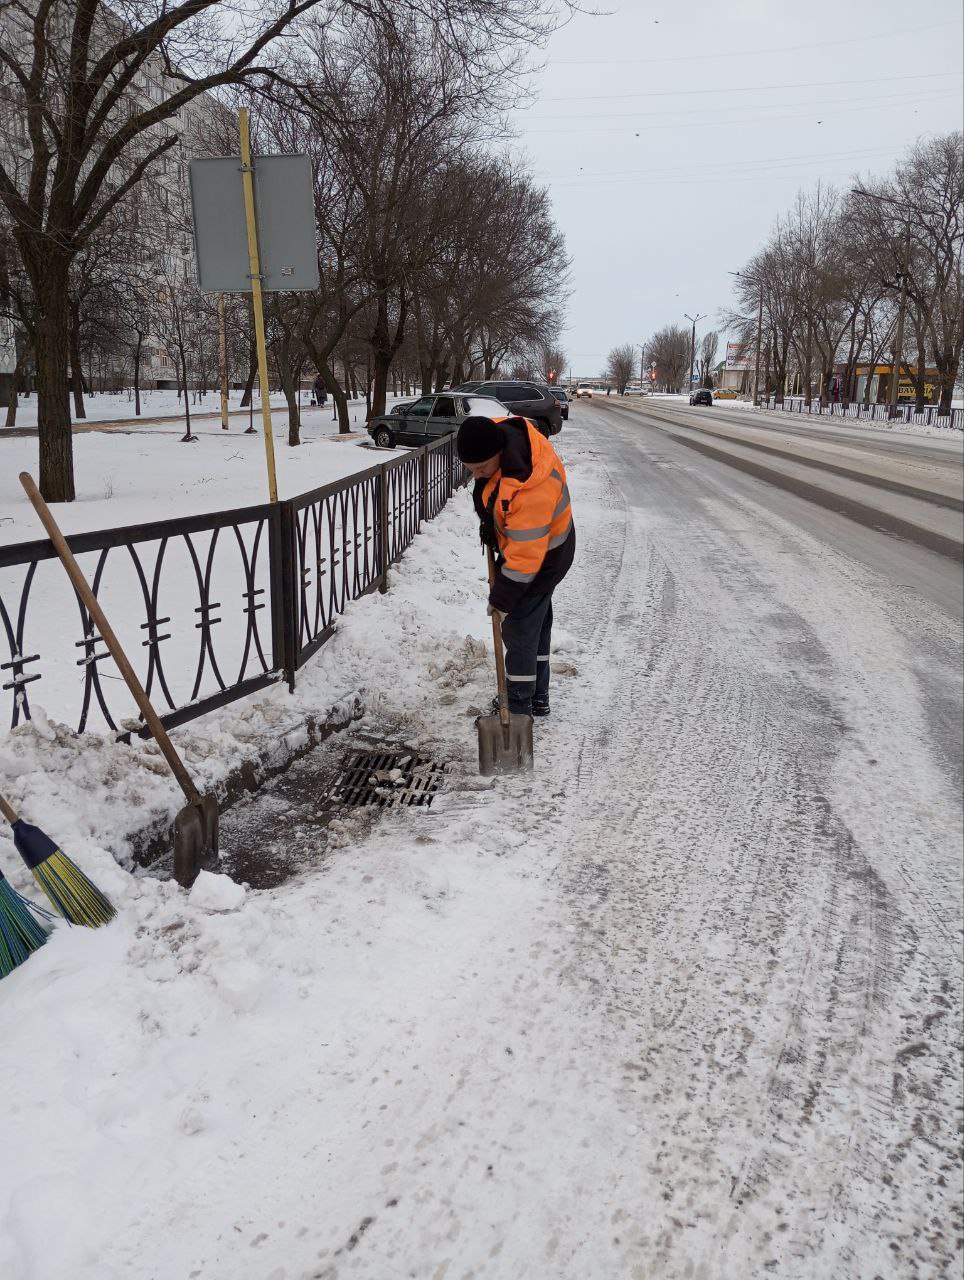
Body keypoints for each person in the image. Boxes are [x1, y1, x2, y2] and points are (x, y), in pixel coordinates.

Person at [456, 414, 575, 718]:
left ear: (497, 453)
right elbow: (495, 493)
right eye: (471, 470)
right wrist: (490, 525)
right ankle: (539, 697)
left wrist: (502, 599)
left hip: (546, 557)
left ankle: (519, 706)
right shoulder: (499, 441)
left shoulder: (530, 486)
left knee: (520, 626)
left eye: (481, 468)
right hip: (539, 549)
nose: (477, 475)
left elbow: (525, 558)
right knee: (537, 621)